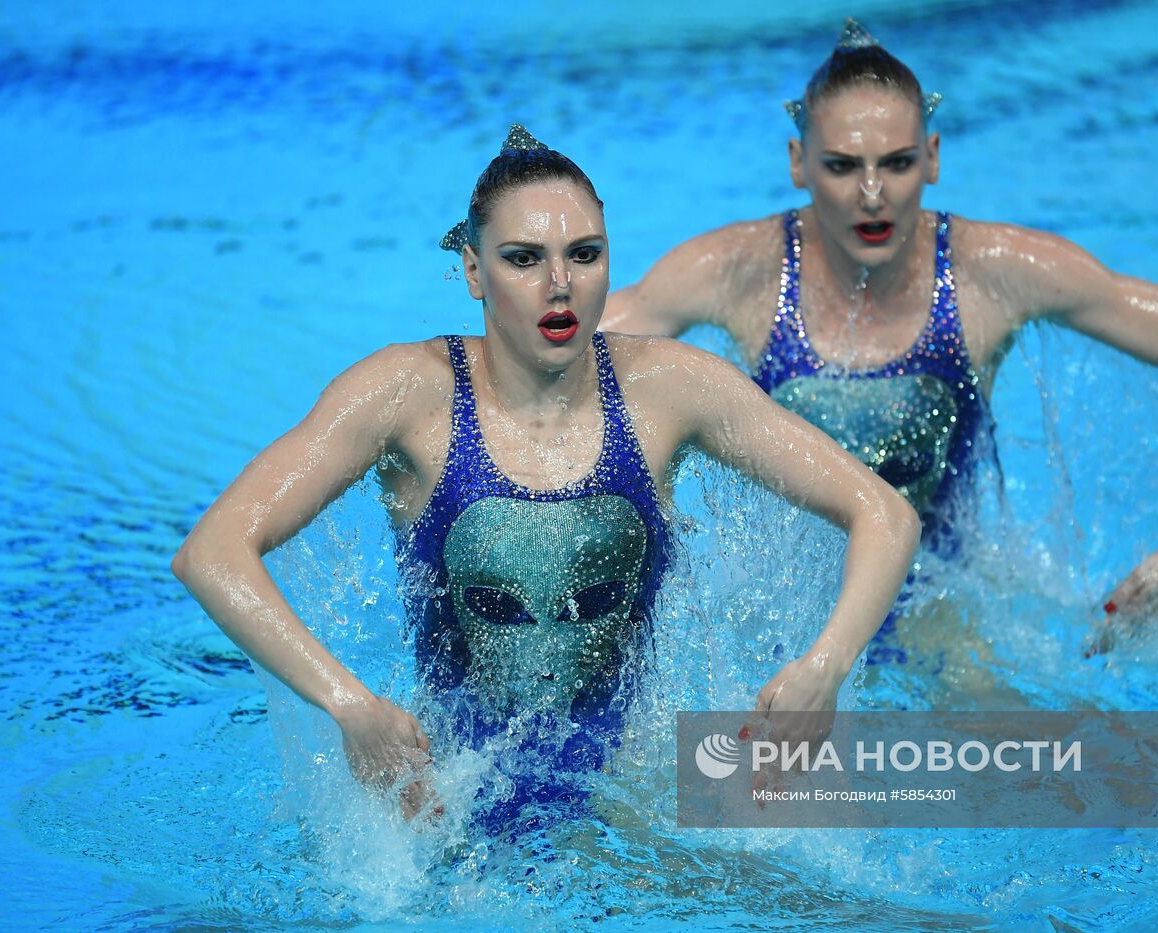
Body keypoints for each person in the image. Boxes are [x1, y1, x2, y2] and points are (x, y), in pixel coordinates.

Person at [171, 125, 920, 825]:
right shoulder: (407, 395)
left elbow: (884, 514)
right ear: (472, 269)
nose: (559, 284)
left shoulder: (671, 390)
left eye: (585, 254)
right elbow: (213, 551)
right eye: (524, 258)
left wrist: (825, 666)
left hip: (637, 797)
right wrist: (351, 706)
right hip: (449, 807)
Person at [604, 18, 1158, 658]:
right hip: (789, 619)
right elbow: (575, 351)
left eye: (896, 163)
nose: (872, 194)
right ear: (798, 163)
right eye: (841, 166)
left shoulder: (993, 272)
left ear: (934, 158)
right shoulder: (739, 270)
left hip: (944, 616)